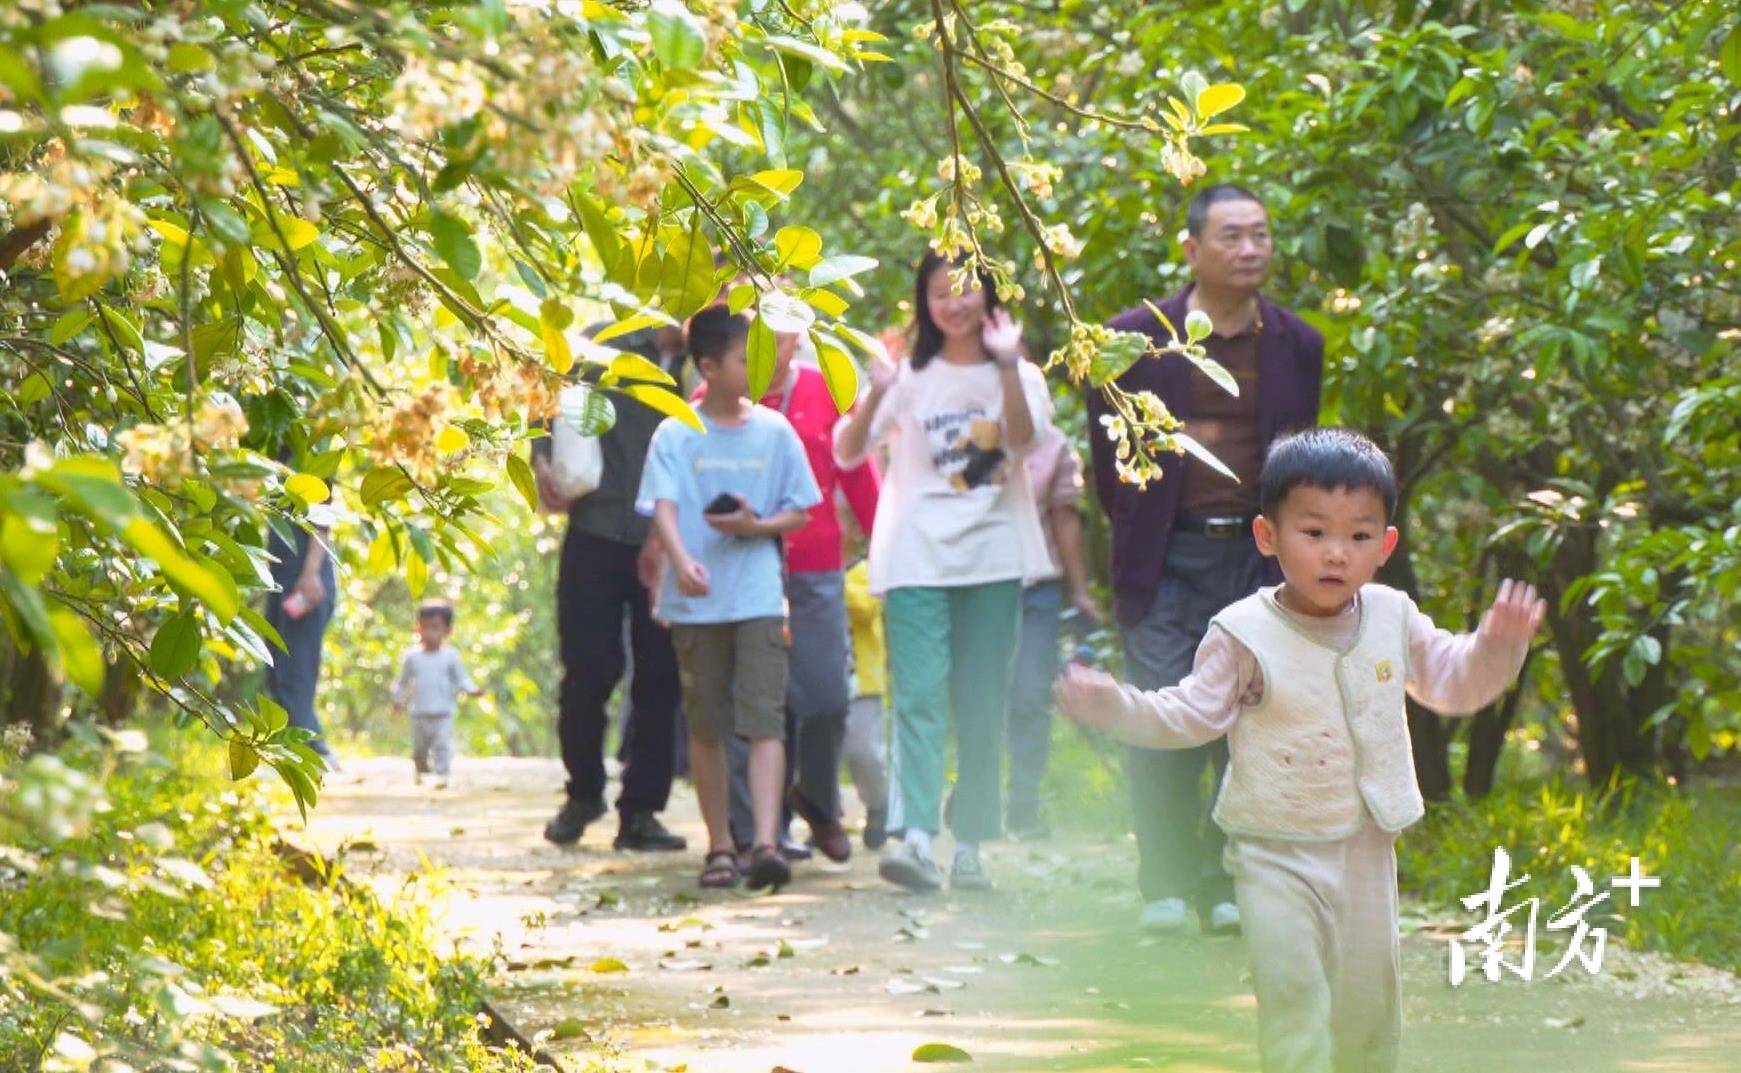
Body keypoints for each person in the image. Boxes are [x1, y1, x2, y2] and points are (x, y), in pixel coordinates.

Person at [1057, 428, 1544, 1073]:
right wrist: (1119, 708)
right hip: (1272, 850)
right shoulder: (1243, 631)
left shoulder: (1393, 617)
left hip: (1366, 849)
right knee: (1293, 995)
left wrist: (1498, 648)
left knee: (1368, 1010)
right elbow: (1189, 713)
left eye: (1359, 536)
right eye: (1314, 532)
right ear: (1269, 537)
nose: (1336, 553)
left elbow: (1453, 683)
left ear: (1385, 546)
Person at [1086, 182, 1323, 935]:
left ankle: (1225, 880)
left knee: (1248, 722)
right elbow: (1108, 467)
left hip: (1258, 561)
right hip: (1165, 561)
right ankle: (1163, 879)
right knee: (1158, 715)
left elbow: (1301, 462)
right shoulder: (1131, 341)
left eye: (1259, 235)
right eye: (1231, 236)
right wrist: (1143, 533)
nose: (1249, 249)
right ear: (1190, 248)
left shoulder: (1297, 343)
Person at [835, 252, 1052, 893]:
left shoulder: (1023, 374)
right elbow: (848, 451)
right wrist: (876, 386)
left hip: (994, 557)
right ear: (923, 302)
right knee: (921, 697)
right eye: (938, 293)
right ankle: (917, 838)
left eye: (963, 290)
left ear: (988, 294)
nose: (952, 304)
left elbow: (1020, 440)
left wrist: (1009, 365)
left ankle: (973, 846)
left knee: (983, 703)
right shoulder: (908, 376)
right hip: (916, 557)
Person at [638, 306, 821, 890]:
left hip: (759, 597)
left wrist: (755, 527)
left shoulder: (775, 431)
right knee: (707, 724)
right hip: (697, 598)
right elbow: (662, 504)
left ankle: (765, 842)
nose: (759, 367)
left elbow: (798, 510)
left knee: (765, 719)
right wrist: (678, 558)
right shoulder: (675, 430)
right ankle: (720, 845)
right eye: (747, 358)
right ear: (709, 366)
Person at [700, 332, 880, 865]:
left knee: (825, 697)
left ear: (797, 340)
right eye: (753, 338)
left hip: (815, 564)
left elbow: (858, 473)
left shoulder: (828, 389)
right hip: (736, 569)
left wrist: (887, 546)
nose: (768, 349)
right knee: (749, 702)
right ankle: (754, 834)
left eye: (778, 339)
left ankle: (820, 803)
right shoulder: (706, 402)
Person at [532, 326, 687, 853]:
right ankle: (583, 794)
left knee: (660, 679)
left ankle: (641, 812)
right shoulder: (602, 345)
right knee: (586, 671)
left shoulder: (711, 356)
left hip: (669, 543)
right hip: (595, 529)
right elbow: (539, 392)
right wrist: (539, 460)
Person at [1004, 398, 1101, 840]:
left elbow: (1065, 521)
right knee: (976, 693)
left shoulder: (1055, 446)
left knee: (1029, 693)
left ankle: (1024, 801)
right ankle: (974, 793)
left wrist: (1079, 591)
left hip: (1038, 588)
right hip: (977, 584)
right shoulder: (976, 435)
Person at [264, 498, 339, 769]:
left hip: (306, 582)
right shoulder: (273, 463)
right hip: (281, 582)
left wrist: (310, 575)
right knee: (274, 667)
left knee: (297, 669)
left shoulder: (310, 464)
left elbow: (322, 524)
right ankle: (297, 747)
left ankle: (313, 750)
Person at [390, 600, 483, 788]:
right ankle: (422, 773)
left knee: (442, 746)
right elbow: (402, 682)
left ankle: (442, 776)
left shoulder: (450, 656)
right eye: (425, 627)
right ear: (418, 628)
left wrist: (472, 690)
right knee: (419, 750)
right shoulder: (412, 657)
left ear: (447, 630)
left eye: (435, 628)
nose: (430, 633)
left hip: (443, 712)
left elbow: (462, 678)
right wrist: (398, 700)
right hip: (419, 712)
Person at [841, 555, 888, 849]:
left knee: (863, 752)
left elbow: (865, 609)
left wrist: (828, 580)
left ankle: (878, 804)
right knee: (819, 755)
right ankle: (824, 816)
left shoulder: (866, 570)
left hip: (863, 683)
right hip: (821, 678)